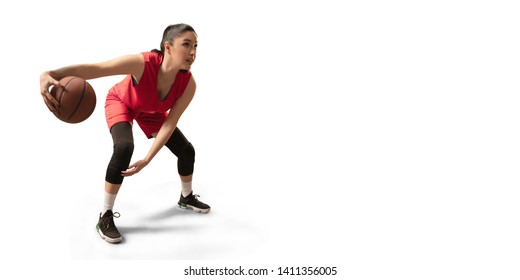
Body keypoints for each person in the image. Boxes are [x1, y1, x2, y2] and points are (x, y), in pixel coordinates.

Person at [39, 23, 210, 244]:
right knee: (124, 147)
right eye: (186, 45)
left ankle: (186, 197)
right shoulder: (142, 63)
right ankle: (105, 215)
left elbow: (169, 124)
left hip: (150, 110)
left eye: (196, 45)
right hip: (122, 102)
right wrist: (50, 73)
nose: (193, 52)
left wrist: (147, 160)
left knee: (187, 151)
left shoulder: (188, 84)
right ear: (168, 47)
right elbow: (96, 69)